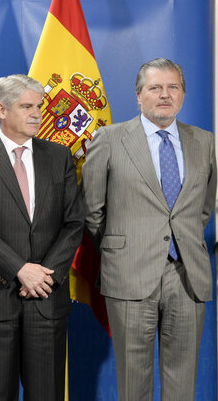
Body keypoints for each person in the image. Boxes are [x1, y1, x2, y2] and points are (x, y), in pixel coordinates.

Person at [83, 58, 216, 400]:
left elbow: (203, 208)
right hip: (129, 273)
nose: (164, 95)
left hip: (187, 275)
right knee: (133, 381)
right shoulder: (109, 140)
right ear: (139, 96)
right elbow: (92, 210)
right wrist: (122, 248)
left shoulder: (205, 142)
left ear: (183, 95)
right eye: (155, 88)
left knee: (182, 381)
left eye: (173, 87)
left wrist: (179, 241)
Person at [0, 74, 84, 400]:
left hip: (47, 298)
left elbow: (74, 223)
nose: (37, 114)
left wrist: (44, 275)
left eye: (38, 106)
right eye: (26, 106)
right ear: (1, 109)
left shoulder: (59, 157)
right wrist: (19, 269)